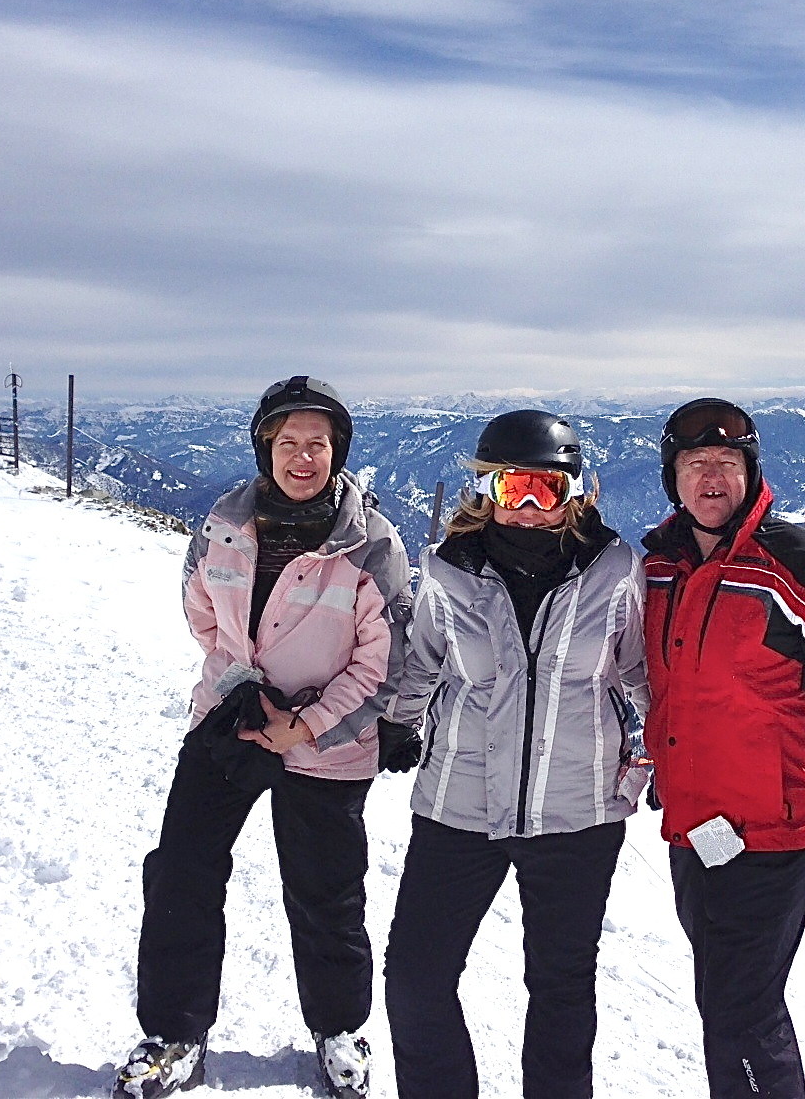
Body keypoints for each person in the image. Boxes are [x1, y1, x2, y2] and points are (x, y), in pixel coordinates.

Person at [114, 376, 413, 1099]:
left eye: (318, 444)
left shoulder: (371, 544)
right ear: (264, 449)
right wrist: (242, 683)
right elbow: (203, 615)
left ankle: (339, 1029)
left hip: (327, 742)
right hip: (231, 726)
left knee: (326, 893)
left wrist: (303, 721)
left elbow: (387, 662)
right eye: (288, 443)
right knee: (183, 870)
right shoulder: (222, 522)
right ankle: (174, 1034)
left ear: (337, 452)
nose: (302, 458)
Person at [639, 398, 805, 1099]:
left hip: (773, 829)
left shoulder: (791, 562)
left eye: (726, 463)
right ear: (672, 478)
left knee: (741, 1011)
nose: (711, 478)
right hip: (694, 828)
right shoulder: (660, 569)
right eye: (695, 464)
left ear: (750, 473)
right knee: (725, 1004)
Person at [380, 410, 649, 1099]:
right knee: (416, 976)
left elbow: (640, 671)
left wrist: (669, 755)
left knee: (560, 989)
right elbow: (423, 660)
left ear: (574, 492)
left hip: (578, 810)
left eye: (545, 491)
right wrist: (400, 724)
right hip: (459, 803)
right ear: (486, 491)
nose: (528, 509)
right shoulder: (448, 570)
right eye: (512, 490)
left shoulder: (614, 570)